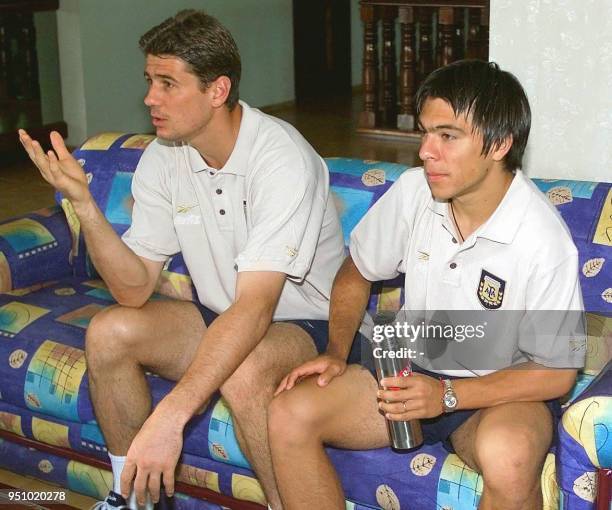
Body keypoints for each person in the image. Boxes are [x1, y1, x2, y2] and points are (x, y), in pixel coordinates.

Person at [18, 9, 360, 510]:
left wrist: (171, 415)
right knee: (110, 331)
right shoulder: (165, 155)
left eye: (167, 83)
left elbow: (257, 308)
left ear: (217, 91)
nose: (149, 98)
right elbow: (134, 289)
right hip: (225, 314)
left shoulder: (280, 158)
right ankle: (130, 499)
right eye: (149, 81)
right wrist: (85, 205)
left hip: (302, 323)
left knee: (243, 370)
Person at [269, 60, 586, 510]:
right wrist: (336, 353)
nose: (425, 151)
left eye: (447, 136)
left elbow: (557, 372)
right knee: (289, 412)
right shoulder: (416, 192)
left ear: (499, 144)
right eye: (425, 132)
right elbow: (355, 270)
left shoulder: (542, 238)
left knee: (510, 457)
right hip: (410, 376)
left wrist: (450, 395)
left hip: (500, 391)